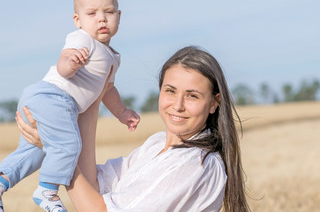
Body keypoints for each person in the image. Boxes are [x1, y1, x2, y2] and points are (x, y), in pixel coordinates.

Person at [15, 46, 251, 212]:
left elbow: (98, 209)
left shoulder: (197, 163)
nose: (177, 105)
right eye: (170, 91)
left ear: (213, 103)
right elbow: (93, 183)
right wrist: (95, 98)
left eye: (192, 95)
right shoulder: (158, 144)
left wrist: (56, 148)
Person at [0, 0, 140, 212]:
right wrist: (71, 64)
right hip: (54, 98)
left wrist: (122, 112)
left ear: (119, 16)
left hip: (44, 101)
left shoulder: (113, 56)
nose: (102, 18)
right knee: (70, 143)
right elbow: (63, 63)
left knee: (36, 151)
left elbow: (108, 89)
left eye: (109, 11)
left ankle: (3, 180)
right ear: (78, 20)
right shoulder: (82, 39)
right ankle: (47, 190)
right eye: (92, 13)